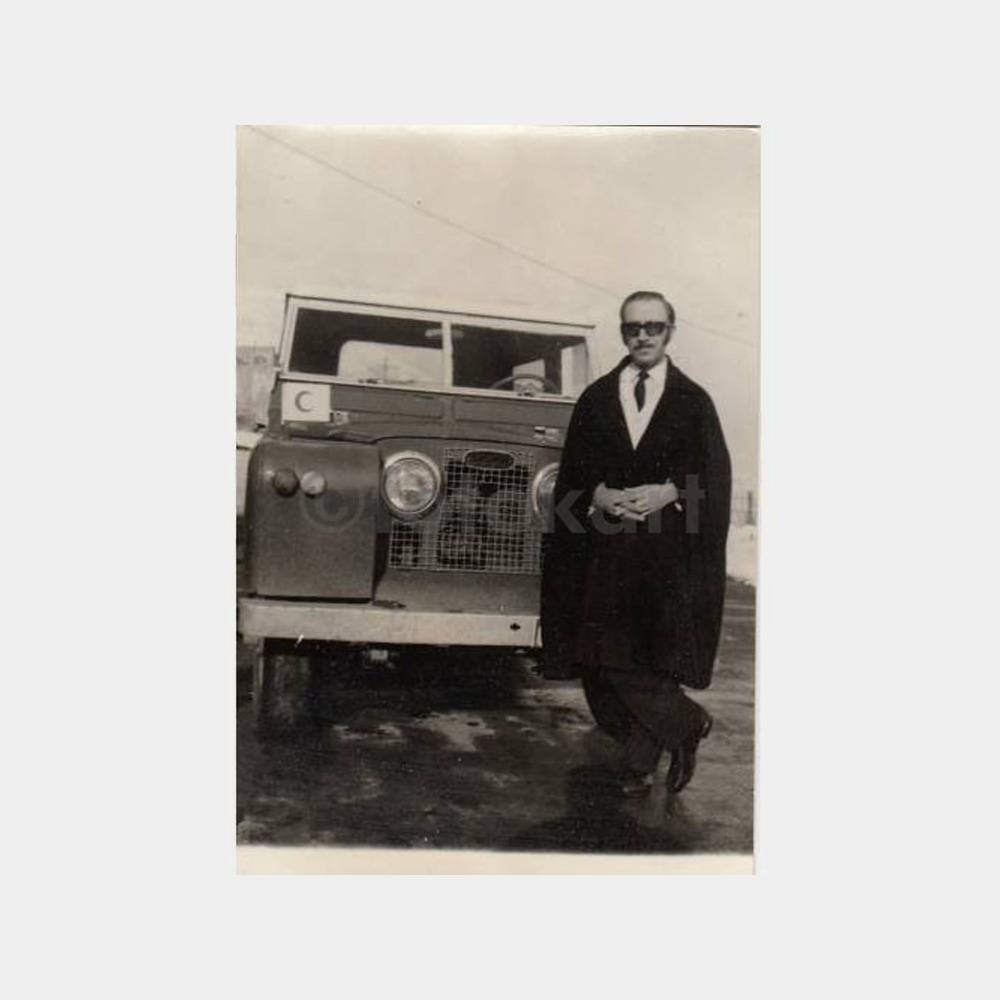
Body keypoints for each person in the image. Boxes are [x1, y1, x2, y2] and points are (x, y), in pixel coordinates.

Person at [540, 290, 732, 796]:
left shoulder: (693, 402)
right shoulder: (597, 399)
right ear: (622, 333)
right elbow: (572, 480)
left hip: (667, 554)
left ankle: (639, 764)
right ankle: (685, 724)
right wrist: (598, 496)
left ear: (671, 331)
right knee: (600, 661)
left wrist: (669, 491)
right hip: (605, 549)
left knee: (648, 659)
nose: (643, 336)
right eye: (633, 328)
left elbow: (715, 482)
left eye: (653, 327)